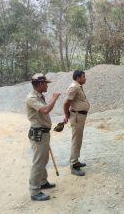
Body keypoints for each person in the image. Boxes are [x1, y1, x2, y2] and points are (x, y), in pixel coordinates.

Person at [26, 73, 60, 201]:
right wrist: (54, 98)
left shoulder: (39, 96)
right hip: (39, 133)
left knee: (43, 160)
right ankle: (34, 191)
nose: (47, 85)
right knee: (38, 162)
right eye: (46, 83)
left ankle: (42, 181)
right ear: (40, 84)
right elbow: (45, 110)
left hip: (43, 132)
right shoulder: (31, 98)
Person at [63, 70, 90, 176]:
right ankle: (74, 165)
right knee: (76, 140)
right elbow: (66, 103)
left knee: (78, 139)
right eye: (83, 77)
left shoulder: (78, 86)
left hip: (80, 116)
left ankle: (76, 161)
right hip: (77, 116)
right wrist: (66, 115)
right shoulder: (74, 87)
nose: (85, 78)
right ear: (78, 78)